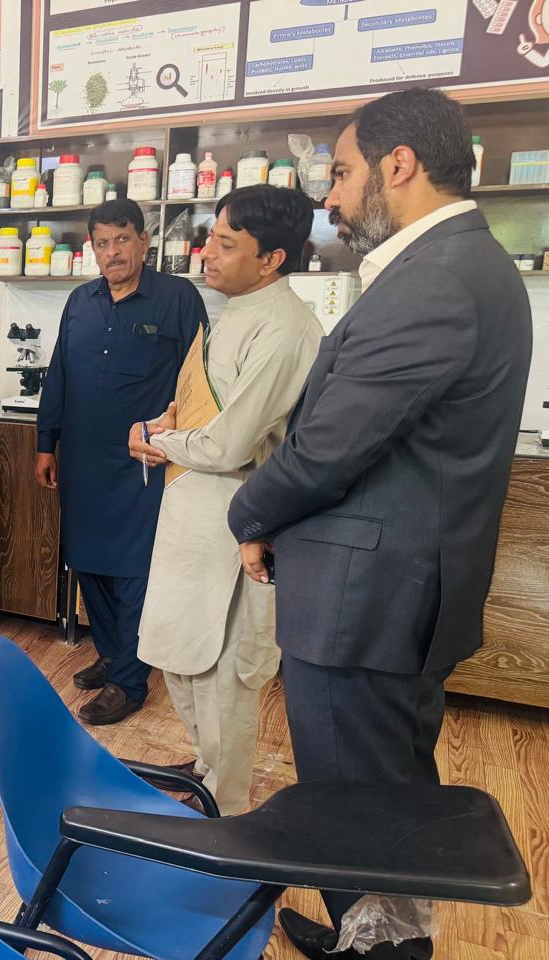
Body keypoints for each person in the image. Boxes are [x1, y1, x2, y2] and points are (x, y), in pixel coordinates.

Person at [227, 89, 532, 959]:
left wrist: (248, 513)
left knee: (353, 803)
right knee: (386, 793)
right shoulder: (459, 263)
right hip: (395, 593)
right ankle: (368, 937)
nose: (330, 195)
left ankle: (384, 951)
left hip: (364, 607)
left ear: (399, 165)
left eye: (341, 172)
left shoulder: (436, 277)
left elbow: (329, 447)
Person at [127, 185, 322, 816]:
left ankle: (229, 810)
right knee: (182, 661)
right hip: (190, 513)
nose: (207, 252)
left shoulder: (285, 327)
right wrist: (165, 422)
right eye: (211, 237)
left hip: (238, 527)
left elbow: (233, 442)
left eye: (227, 243)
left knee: (225, 675)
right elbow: (203, 405)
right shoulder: (233, 310)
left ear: (272, 259)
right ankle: (206, 773)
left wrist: (160, 440)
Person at [35, 199, 203, 725]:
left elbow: (197, 381)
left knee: (134, 571)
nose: (113, 252)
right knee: (87, 562)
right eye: (103, 243)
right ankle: (112, 655)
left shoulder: (177, 298)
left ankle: (129, 683)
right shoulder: (80, 302)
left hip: (143, 463)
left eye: (123, 240)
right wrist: (46, 442)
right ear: (93, 248)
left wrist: (179, 436)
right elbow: (59, 375)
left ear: (143, 241)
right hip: (83, 459)